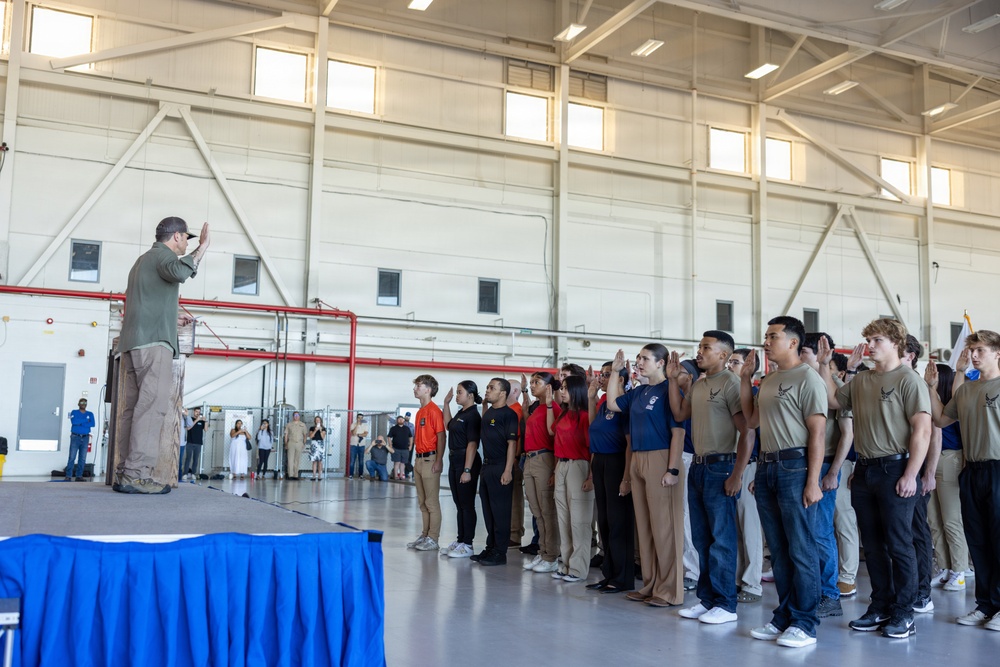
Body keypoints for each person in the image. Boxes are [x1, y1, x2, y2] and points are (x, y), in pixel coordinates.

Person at [817, 318, 931, 639]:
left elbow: (922, 431)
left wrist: (912, 474)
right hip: (865, 470)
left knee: (899, 543)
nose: (870, 345)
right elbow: (834, 401)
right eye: (868, 339)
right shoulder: (864, 379)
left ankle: (904, 612)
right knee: (873, 545)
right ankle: (880, 606)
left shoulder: (909, 380)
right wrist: (825, 366)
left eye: (877, 339)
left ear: (896, 343)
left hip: (896, 468)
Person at [740, 316, 826, 649]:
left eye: (773, 336)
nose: (766, 342)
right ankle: (784, 617)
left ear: (792, 342)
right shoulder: (770, 379)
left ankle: (805, 623)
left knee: (801, 549)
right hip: (768, 467)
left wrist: (813, 480)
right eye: (766, 336)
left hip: (795, 467)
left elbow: (817, 433)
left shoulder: (808, 377)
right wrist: (745, 379)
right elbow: (751, 420)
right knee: (778, 550)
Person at [114, 216, 210, 494]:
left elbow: (145, 301)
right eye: (187, 239)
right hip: (154, 344)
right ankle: (138, 476)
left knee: (133, 410)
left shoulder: (142, 261)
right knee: (152, 409)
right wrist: (202, 248)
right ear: (177, 236)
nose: (187, 244)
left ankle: (125, 472)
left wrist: (171, 317)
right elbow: (179, 272)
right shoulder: (163, 256)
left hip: (134, 343)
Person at [668, 331, 750, 625]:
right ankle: (708, 600)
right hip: (698, 466)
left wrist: (737, 474)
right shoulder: (699, 385)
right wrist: (671, 380)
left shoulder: (731, 383)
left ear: (724, 355)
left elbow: (747, 433)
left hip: (721, 466)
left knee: (721, 539)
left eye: (706, 347)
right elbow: (679, 414)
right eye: (700, 346)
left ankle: (726, 605)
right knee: (702, 538)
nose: (699, 351)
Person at [925, 331, 1000, 631]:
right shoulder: (967, 390)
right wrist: (932, 388)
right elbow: (941, 419)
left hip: (998, 469)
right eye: (972, 350)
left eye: (980, 350)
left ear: (997, 353)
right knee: (978, 540)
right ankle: (986, 605)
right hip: (972, 471)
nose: (974, 355)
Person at [606, 344, 686, 609]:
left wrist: (672, 469)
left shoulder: (669, 390)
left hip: (661, 457)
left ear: (661, 363)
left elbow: (678, 433)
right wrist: (615, 373)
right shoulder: (639, 392)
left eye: (646, 359)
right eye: (638, 358)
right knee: (646, 527)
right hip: (639, 458)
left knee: (665, 528)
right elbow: (613, 403)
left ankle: (670, 590)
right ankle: (650, 584)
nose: (639, 362)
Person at [800, 332, 854, 619]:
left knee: (821, 532)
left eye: (804, 352)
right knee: (803, 532)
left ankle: (830, 595)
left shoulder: (835, 388)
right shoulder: (799, 382)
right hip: (800, 464)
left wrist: (834, 472)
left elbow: (847, 434)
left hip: (825, 466)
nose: (799, 357)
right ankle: (810, 591)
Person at [586, 361, 634, 594]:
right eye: (602, 374)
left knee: (618, 522)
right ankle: (609, 574)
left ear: (620, 380)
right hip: (601, 461)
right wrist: (591, 398)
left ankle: (622, 578)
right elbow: (594, 427)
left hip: (617, 462)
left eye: (607, 375)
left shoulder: (625, 405)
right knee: (604, 520)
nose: (602, 379)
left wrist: (626, 477)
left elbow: (629, 444)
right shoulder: (605, 403)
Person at [924, 362, 970, 592]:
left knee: (952, 519)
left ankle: (960, 571)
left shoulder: (953, 407)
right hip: (930, 462)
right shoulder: (928, 402)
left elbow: (965, 437)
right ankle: (945, 567)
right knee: (934, 519)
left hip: (951, 459)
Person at [728, 349, 765, 603]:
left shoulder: (753, 395)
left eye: (736, 362)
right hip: (730, 465)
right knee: (736, 529)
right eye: (730, 361)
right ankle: (738, 579)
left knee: (750, 527)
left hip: (750, 466)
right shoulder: (729, 393)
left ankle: (752, 583)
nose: (731, 365)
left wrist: (755, 472)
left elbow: (758, 436)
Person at [550, 375, 594, 583]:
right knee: (563, 518)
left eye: (566, 388)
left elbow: (592, 448)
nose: (562, 391)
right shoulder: (563, 414)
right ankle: (566, 564)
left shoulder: (585, 416)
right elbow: (553, 434)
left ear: (577, 391)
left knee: (579, 520)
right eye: (562, 388)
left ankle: (578, 568)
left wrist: (591, 476)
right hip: (562, 465)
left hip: (579, 466)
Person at [472, 378, 519, 566]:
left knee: (500, 512)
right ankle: (490, 547)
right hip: (487, 466)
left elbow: (512, 444)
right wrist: (484, 404)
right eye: (487, 387)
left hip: (501, 466)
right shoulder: (489, 412)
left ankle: (500, 552)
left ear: (503, 393)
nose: (487, 390)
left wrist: (508, 470)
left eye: (492, 388)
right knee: (488, 511)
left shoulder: (509, 415)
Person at [520, 371, 562, 575]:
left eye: (536, 382)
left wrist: (554, 469)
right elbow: (528, 421)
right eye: (531, 382)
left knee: (547, 510)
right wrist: (524, 392)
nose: (532, 385)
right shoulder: (537, 408)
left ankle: (551, 555)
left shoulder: (554, 408)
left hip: (544, 458)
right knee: (537, 510)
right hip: (530, 459)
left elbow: (555, 438)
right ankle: (543, 550)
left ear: (548, 387)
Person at [442, 381, 483, 559]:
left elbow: (472, 444)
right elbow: (448, 425)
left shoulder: (473, 415)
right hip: (455, 459)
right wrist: (446, 403)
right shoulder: (461, 412)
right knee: (459, 504)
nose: (457, 395)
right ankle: (460, 540)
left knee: (466, 504)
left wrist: (467, 470)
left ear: (470, 395)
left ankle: (468, 544)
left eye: (460, 392)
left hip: (467, 461)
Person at [407, 375, 446, 552]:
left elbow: (441, 436)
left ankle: (433, 538)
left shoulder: (434, 411)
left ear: (428, 390)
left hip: (430, 459)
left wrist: (439, 460)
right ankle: (425, 535)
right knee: (422, 502)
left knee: (431, 502)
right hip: (419, 459)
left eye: (418, 386)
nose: (415, 389)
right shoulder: (420, 412)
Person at [66, 398, 95, 482]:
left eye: (85, 403)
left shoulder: (90, 413)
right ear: (78, 404)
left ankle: (79, 476)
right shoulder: (74, 412)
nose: (83, 404)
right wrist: (86, 420)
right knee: (72, 457)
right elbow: (74, 422)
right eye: (82, 402)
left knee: (82, 458)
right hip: (75, 437)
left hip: (85, 437)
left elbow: (93, 424)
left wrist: (80, 423)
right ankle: (68, 475)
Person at [182, 407, 206, 480]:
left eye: (199, 412)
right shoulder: (190, 419)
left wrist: (205, 421)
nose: (197, 413)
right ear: (193, 412)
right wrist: (197, 420)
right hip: (190, 442)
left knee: (196, 459)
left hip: (198, 443)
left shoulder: (201, 421)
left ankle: (193, 473)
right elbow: (189, 427)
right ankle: (185, 473)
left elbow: (206, 429)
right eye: (196, 411)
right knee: (188, 458)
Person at [283, 411, 308, 480]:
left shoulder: (303, 425)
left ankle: (295, 475)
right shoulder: (289, 424)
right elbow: (286, 435)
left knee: (297, 459)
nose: (296, 417)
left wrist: (304, 443)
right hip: (291, 442)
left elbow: (305, 435)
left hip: (299, 443)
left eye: (297, 415)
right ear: (293, 416)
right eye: (295, 415)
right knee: (290, 459)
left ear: (299, 416)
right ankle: (290, 474)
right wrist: (286, 443)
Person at [388, 415, 411, 480]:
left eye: (402, 419)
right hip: (396, 448)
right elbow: (389, 437)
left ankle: (401, 475)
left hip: (405, 449)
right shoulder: (393, 428)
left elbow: (411, 437)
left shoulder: (407, 428)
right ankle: (395, 476)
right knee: (397, 462)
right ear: (397, 420)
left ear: (403, 420)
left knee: (403, 463)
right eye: (399, 419)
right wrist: (390, 445)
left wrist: (411, 445)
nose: (400, 420)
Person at [349, 414, 368, 479]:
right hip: (353, 445)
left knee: (361, 460)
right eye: (359, 418)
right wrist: (357, 425)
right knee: (352, 460)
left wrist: (358, 434)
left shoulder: (365, 425)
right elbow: (353, 433)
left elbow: (365, 434)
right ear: (356, 418)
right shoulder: (353, 425)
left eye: (361, 418)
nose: (360, 419)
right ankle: (351, 475)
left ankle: (360, 475)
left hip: (361, 445)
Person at [308, 415, 327, 481]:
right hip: (314, 443)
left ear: (321, 421)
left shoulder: (323, 428)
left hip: (320, 444)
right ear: (315, 421)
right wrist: (315, 430)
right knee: (314, 461)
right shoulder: (312, 428)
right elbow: (311, 436)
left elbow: (323, 437)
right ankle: (313, 475)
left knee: (320, 461)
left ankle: (319, 475)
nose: (317, 421)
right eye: (316, 420)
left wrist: (320, 430)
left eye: (319, 420)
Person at [178, 408, 193, 482]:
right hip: (172, 443)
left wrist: (187, 415)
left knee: (180, 461)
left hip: (181, 443)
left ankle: (179, 478)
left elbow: (190, 425)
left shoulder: (184, 417)